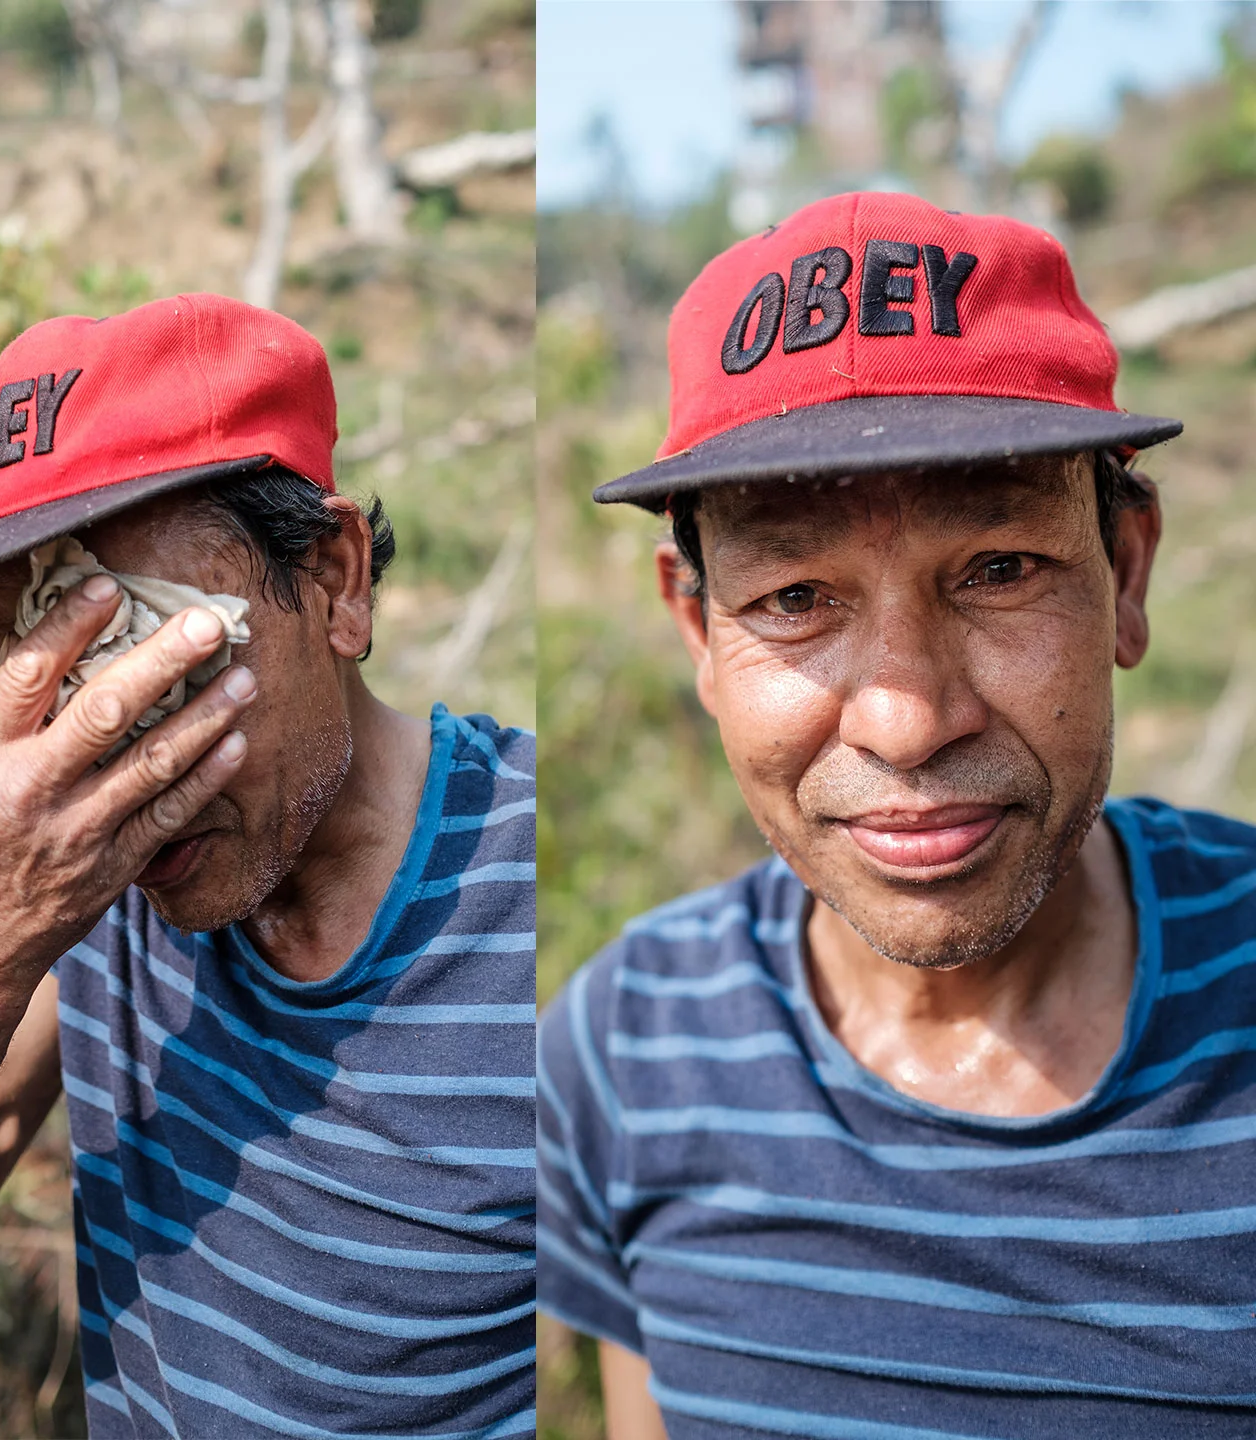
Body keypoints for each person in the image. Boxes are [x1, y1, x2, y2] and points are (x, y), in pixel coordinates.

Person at [537, 191, 1256, 1438]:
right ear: (699, 629)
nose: (908, 720)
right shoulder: (620, 1055)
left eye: (999, 570)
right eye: (797, 596)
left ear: (1126, 575)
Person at [0, 294, 536, 1437]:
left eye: (150, 656)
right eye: (30, 660)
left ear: (337, 582)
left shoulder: (530, 920)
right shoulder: (78, 874)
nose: (117, 748)